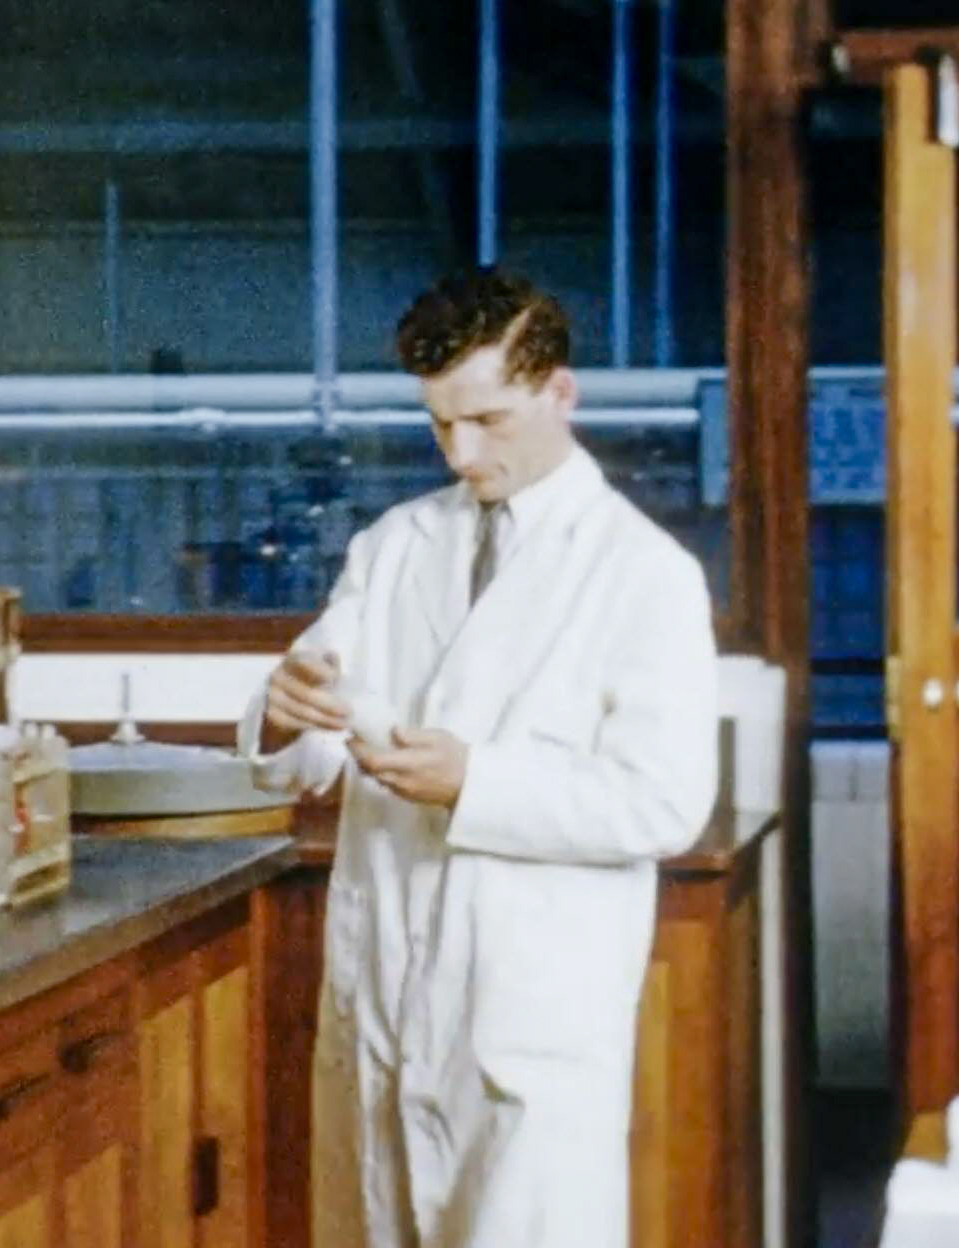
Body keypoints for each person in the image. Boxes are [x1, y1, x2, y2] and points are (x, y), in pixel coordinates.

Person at [238, 268, 718, 1246]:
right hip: (384, 1001)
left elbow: (663, 803)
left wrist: (477, 783)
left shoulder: (642, 576)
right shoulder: (396, 546)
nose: (460, 453)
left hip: (525, 1019)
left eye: (488, 421)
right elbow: (317, 726)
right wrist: (289, 712)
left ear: (559, 392)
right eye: (439, 424)